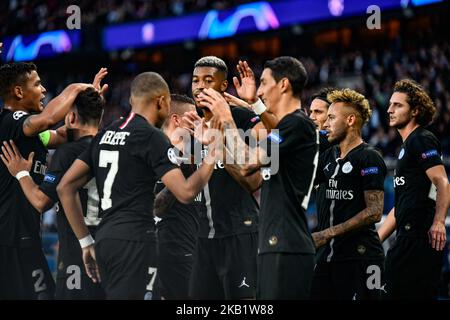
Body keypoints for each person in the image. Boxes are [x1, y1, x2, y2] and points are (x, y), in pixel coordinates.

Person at [57, 72, 221, 299]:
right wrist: (214, 150)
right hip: (136, 240)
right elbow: (185, 193)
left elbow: (65, 187)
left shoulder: (106, 133)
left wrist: (85, 242)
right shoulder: (151, 137)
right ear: (161, 101)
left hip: (104, 239)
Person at [200, 56, 318, 299]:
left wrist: (226, 117)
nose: (260, 90)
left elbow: (246, 164)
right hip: (275, 242)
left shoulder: (298, 125)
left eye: (263, 83)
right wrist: (251, 104)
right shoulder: (288, 128)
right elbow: (249, 169)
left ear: (283, 84)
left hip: (288, 245)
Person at [1, 86, 106, 299]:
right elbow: (52, 130)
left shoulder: (67, 153)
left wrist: (22, 174)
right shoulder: (111, 147)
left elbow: (41, 201)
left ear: (72, 117)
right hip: (114, 250)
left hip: (78, 255)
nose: (43, 89)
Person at [188, 56, 261, 299]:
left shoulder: (241, 119)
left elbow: (253, 181)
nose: (199, 86)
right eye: (196, 80)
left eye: (208, 80)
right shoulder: (192, 125)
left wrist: (215, 144)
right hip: (203, 238)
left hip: (240, 233)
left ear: (223, 86)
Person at [309, 88, 386, 300]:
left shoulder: (369, 158)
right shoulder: (327, 157)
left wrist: (327, 233)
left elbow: (374, 212)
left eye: (331, 118)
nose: (325, 123)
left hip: (362, 259)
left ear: (350, 120)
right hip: (327, 258)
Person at [378, 79, 449, 299]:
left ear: (415, 111)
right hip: (407, 240)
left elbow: (442, 182)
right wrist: (375, 240)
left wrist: (438, 221)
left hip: (419, 241)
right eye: (390, 104)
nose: (390, 109)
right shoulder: (407, 148)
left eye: (398, 105)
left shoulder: (421, 139)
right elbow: (400, 207)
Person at [153, 94, 204, 299]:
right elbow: (157, 207)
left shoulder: (196, 152)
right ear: (176, 120)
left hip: (196, 250)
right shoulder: (157, 154)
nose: (199, 123)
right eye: (193, 117)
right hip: (170, 252)